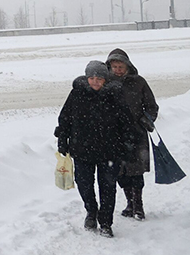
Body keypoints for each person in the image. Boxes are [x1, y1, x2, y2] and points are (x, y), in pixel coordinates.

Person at [55, 60, 138, 238]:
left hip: (110, 151)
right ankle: (91, 211)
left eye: (99, 78)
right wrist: (62, 138)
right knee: (84, 184)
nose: (95, 82)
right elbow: (65, 118)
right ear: (87, 78)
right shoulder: (77, 94)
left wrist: (128, 145)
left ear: (105, 80)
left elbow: (126, 122)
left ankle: (106, 222)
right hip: (82, 149)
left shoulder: (115, 95)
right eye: (91, 78)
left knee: (107, 187)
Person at [106, 48, 159, 220]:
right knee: (121, 172)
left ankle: (138, 205)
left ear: (128, 66)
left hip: (136, 133)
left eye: (121, 66)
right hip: (115, 135)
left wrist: (146, 120)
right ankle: (129, 203)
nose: (118, 70)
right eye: (114, 67)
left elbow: (152, 106)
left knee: (136, 171)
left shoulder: (139, 82)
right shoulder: (105, 83)